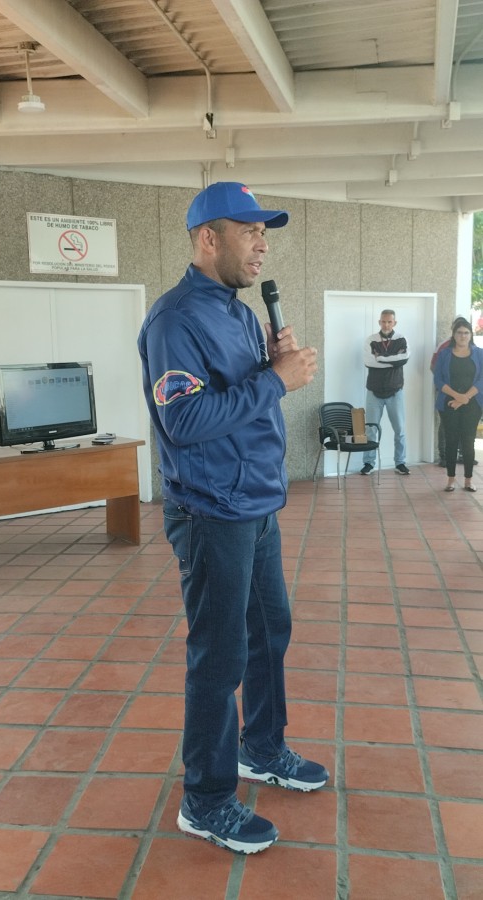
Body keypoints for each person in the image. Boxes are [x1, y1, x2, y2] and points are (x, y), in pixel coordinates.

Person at [137, 181, 329, 855]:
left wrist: (271, 364)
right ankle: (206, 799)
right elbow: (185, 421)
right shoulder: (174, 321)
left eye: (263, 232)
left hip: (256, 504)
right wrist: (278, 380)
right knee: (219, 658)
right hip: (211, 510)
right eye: (248, 231)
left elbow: (244, 402)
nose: (261, 244)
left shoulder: (243, 315)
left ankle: (262, 747)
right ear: (207, 238)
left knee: (269, 631)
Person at [433, 317, 483, 492]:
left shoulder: (479, 353)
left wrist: (465, 398)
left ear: (471, 335)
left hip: (473, 402)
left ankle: (468, 480)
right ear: (453, 335)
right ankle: (451, 480)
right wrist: (458, 397)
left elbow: (482, 379)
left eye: (466, 333)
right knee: (451, 440)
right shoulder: (444, 354)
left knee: (468, 441)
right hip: (449, 402)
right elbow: (438, 380)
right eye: (459, 332)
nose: (463, 336)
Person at [360, 309, 410, 475]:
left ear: (395, 323)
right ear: (379, 322)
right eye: (383, 321)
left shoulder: (401, 339)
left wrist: (380, 358)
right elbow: (368, 362)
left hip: (395, 391)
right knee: (370, 429)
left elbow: (404, 358)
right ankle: (368, 463)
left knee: (400, 430)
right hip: (373, 391)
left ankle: (400, 463)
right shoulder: (371, 340)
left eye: (389, 321)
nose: (386, 324)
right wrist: (392, 360)